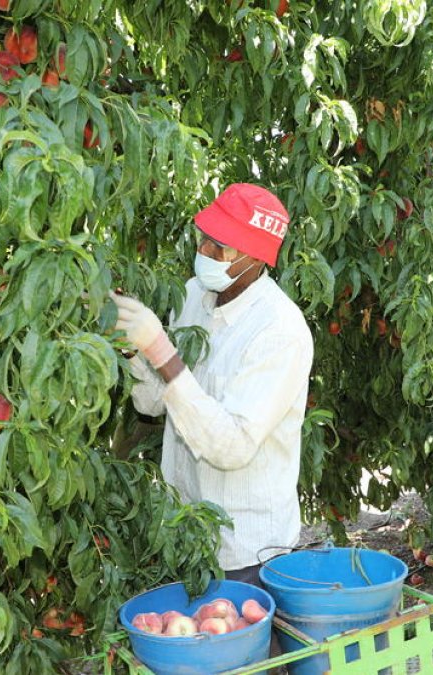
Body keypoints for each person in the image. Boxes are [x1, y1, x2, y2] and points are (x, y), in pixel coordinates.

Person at [111, 183, 313, 586]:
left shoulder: (279, 331)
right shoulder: (192, 296)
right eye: (204, 238)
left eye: (221, 247)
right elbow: (154, 404)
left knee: (248, 646)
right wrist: (134, 349)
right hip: (184, 530)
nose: (204, 252)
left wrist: (162, 351)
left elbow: (232, 446)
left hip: (247, 551)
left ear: (256, 258)